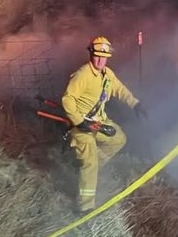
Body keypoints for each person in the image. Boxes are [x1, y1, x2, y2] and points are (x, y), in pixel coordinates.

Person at [62, 35, 148, 214]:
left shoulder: (107, 74)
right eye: (97, 56)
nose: (101, 60)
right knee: (90, 163)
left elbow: (120, 90)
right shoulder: (83, 74)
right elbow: (67, 100)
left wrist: (135, 104)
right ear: (91, 54)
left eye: (104, 56)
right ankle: (85, 206)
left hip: (98, 122)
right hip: (81, 125)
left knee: (119, 138)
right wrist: (79, 121)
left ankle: (84, 166)